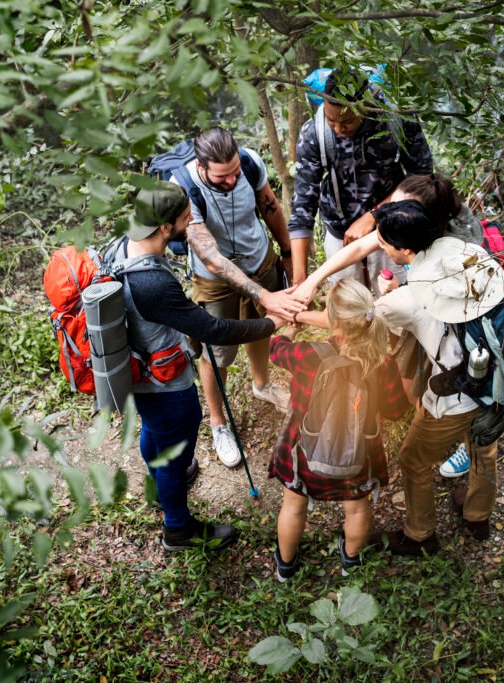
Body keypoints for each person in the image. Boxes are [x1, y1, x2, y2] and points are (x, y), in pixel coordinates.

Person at [112, 182, 289, 552]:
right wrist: (272, 323)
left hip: (140, 375)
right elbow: (213, 329)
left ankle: (158, 481)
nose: (190, 220)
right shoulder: (152, 283)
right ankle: (178, 529)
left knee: (157, 435)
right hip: (166, 385)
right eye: (184, 217)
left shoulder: (120, 247)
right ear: (164, 228)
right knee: (175, 453)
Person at [292, 173, 483, 477]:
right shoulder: (407, 229)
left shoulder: (451, 252)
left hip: (450, 316)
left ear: (422, 223)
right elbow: (359, 249)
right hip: (411, 298)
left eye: (398, 208)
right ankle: (424, 410)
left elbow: (353, 320)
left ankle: (468, 438)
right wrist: (313, 280)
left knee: (457, 372)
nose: (388, 214)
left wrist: (298, 315)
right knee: (410, 370)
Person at [369, 200, 504, 556]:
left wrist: (387, 297)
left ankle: (419, 535)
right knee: (483, 447)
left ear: (404, 249)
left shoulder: (406, 299)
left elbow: (363, 322)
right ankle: (478, 515)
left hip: (456, 394)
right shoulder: (466, 257)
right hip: (499, 377)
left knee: (413, 459)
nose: (380, 247)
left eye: (383, 243)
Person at [173, 127, 307, 468]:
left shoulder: (248, 161)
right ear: (201, 166)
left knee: (261, 327)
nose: (232, 181)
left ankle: (262, 385)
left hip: (259, 260)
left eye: (235, 173)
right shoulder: (184, 189)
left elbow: (270, 206)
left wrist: (288, 251)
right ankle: (218, 423)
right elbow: (211, 257)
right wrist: (265, 294)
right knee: (217, 353)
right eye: (222, 178)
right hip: (215, 281)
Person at [267, 280, 409, 581]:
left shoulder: (308, 355)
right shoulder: (381, 363)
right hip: (359, 450)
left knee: (293, 504)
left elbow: (275, 350)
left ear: (333, 323)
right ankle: (350, 563)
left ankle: (286, 567)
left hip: (304, 448)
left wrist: (290, 331)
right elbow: (397, 411)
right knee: (357, 508)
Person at [288, 67, 434, 293]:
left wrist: (374, 215)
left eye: (346, 121)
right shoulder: (314, 132)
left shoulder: (396, 121)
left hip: (392, 230)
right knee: (349, 314)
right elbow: (302, 207)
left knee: (398, 308)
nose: (337, 128)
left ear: (366, 106)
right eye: (330, 119)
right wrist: (300, 280)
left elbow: (423, 178)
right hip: (339, 234)